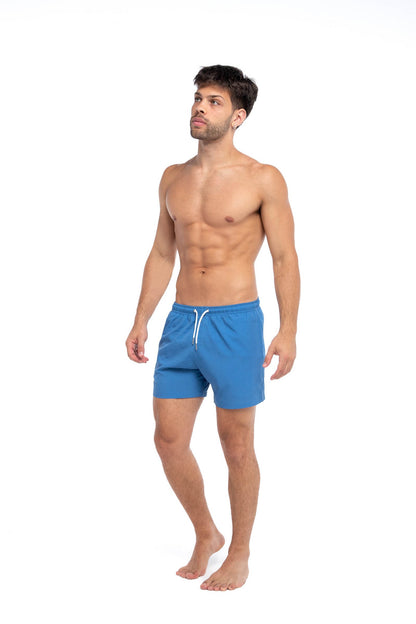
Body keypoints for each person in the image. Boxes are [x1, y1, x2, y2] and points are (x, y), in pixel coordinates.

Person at [125, 64, 300, 591]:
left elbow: (285, 258)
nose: (200, 107)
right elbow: (162, 252)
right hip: (182, 323)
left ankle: (240, 552)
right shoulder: (172, 177)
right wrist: (141, 318)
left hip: (235, 323)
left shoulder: (263, 178)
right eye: (198, 98)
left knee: (236, 445)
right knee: (168, 440)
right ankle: (207, 531)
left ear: (238, 116)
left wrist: (288, 329)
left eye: (214, 101)